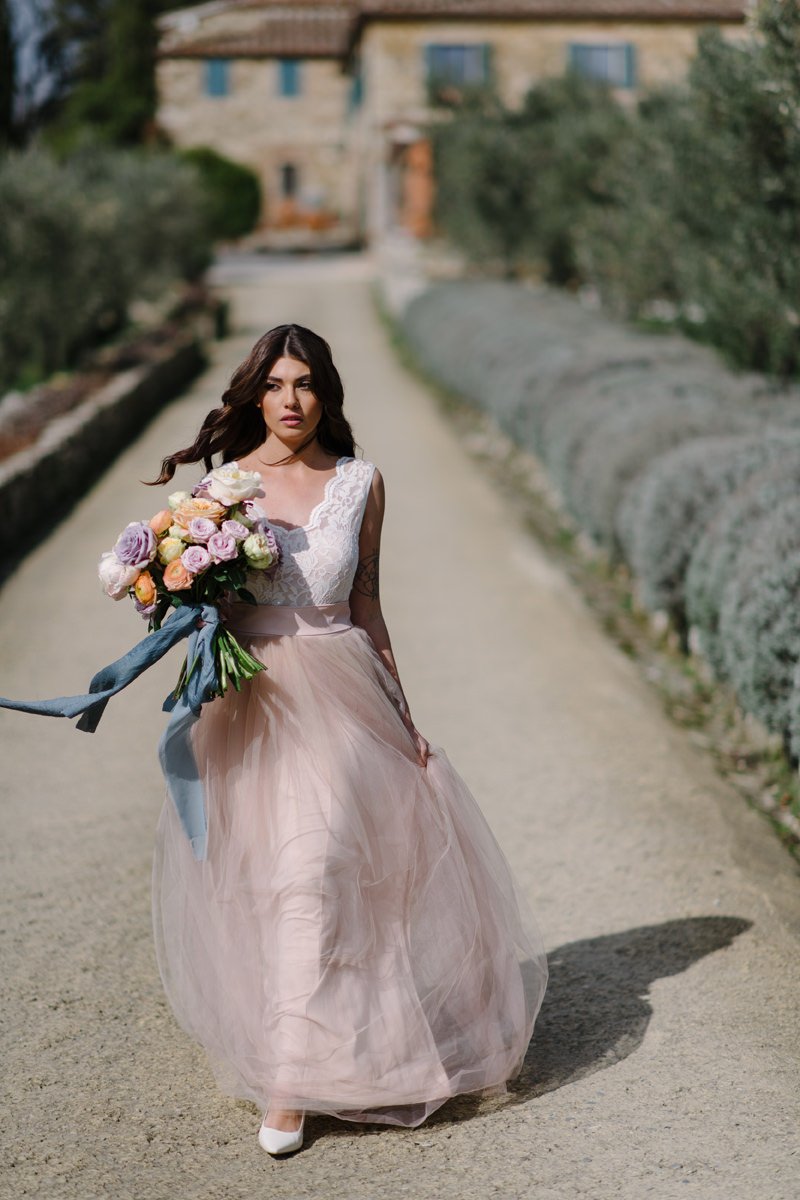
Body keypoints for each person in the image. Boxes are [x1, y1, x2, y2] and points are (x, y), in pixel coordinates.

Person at [148, 323, 548, 1156]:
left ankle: (291, 1083)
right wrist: (176, 591)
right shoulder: (222, 488)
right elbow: (203, 606)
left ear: (326, 391)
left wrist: (404, 715)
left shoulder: (361, 484)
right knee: (272, 880)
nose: (290, 401)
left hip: (342, 692)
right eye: (275, 385)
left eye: (305, 383)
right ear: (254, 394)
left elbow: (366, 606)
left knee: (322, 864)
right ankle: (322, 1039)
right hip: (253, 701)